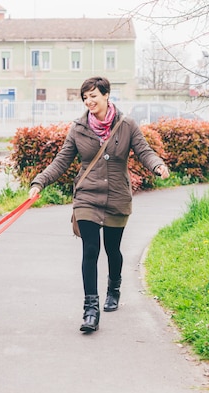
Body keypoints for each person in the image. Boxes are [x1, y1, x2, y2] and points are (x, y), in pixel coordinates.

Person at [28, 76, 170, 333]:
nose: (89, 101)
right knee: (90, 249)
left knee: (112, 249)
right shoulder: (78, 128)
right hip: (87, 196)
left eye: (93, 95)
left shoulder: (127, 125)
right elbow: (61, 161)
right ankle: (90, 310)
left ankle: (113, 288)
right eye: (85, 97)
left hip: (116, 195)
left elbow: (143, 150)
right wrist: (39, 183)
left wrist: (157, 165)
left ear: (107, 95)